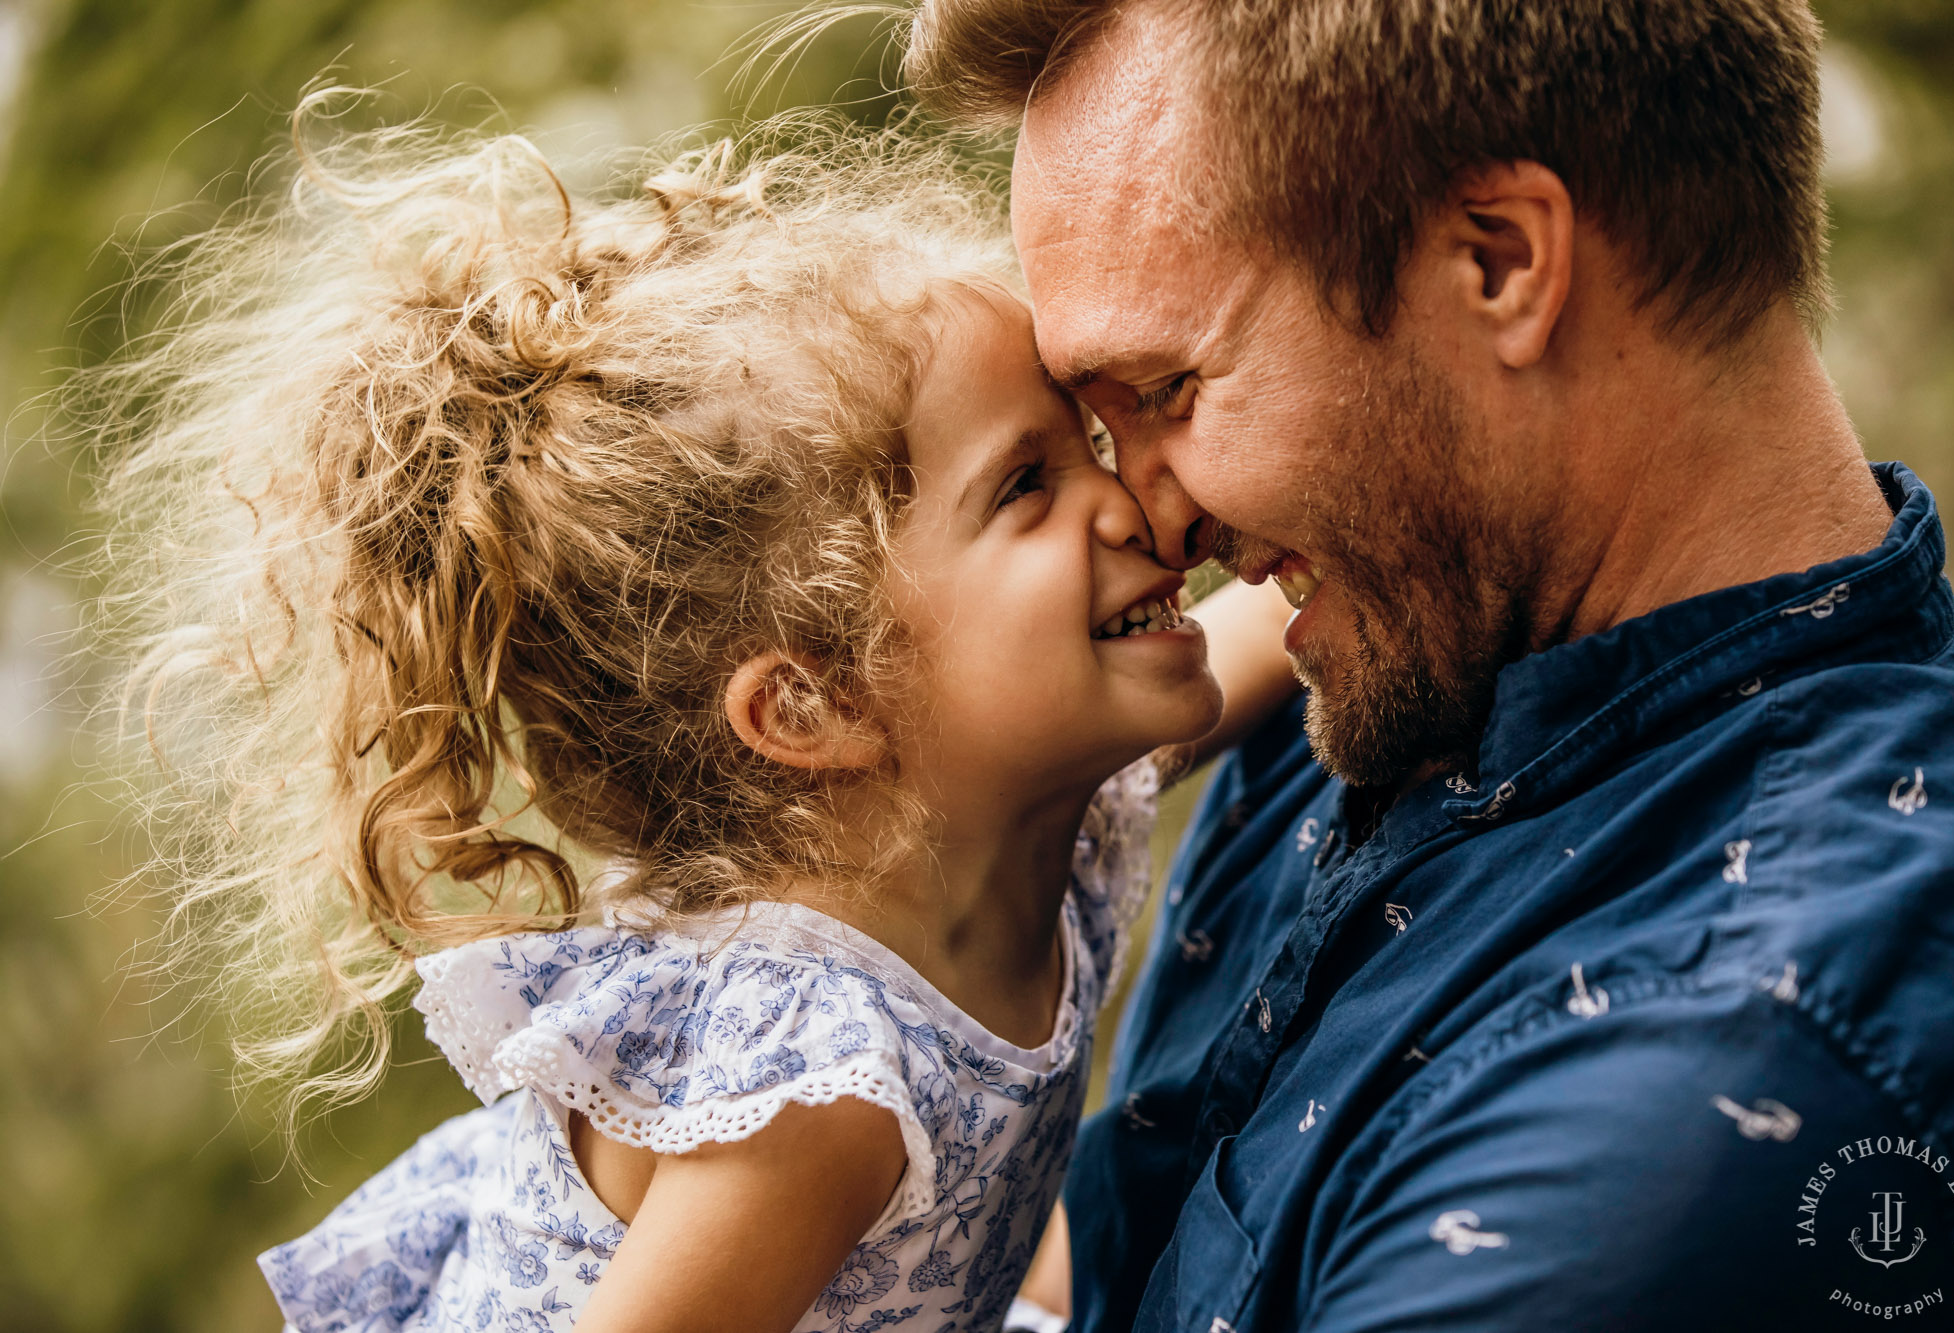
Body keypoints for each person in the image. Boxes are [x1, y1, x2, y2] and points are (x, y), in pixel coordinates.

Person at [92, 109, 1297, 1333]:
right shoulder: (812, 1084)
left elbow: (1283, 642)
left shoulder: (1009, 802)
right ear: (814, 704)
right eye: (1026, 486)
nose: (1131, 499)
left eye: (1085, 445)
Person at [904, 0, 1954, 1329]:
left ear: (1499, 263)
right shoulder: (1385, 660)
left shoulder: (1712, 1092)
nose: (1148, 519)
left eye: (1173, 392)